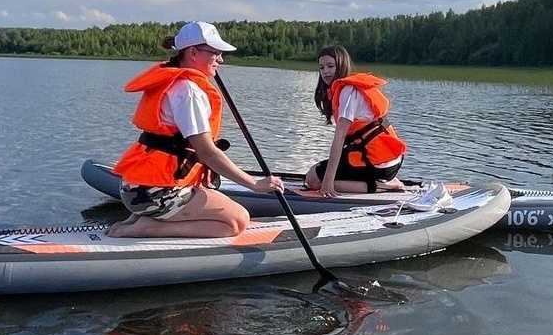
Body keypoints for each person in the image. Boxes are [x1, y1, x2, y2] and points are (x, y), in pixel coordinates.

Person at [108, 20, 283, 238]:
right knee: (237, 222)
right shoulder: (188, 91)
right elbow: (206, 152)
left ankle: (143, 218)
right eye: (215, 53)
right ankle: (148, 227)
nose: (220, 59)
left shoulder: (173, 81)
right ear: (192, 52)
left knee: (224, 211)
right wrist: (255, 184)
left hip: (136, 188)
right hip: (156, 191)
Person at [303, 44, 408, 199]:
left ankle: (383, 186)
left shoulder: (348, 91)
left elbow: (339, 139)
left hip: (378, 163)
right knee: (314, 172)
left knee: (313, 180)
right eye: (321, 67)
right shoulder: (345, 89)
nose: (325, 71)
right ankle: (382, 181)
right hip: (387, 160)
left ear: (342, 65)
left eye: (330, 66)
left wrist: (327, 182)